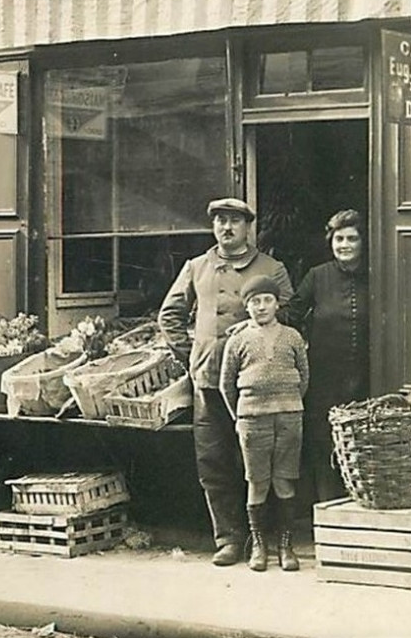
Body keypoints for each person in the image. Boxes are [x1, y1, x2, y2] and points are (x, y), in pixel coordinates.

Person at [157, 197, 294, 566]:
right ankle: (229, 539)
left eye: (234, 221)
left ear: (248, 227)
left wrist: (251, 329)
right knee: (214, 461)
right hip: (208, 380)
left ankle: (263, 540)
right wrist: (193, 354)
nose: (226, 228)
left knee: (261, 462)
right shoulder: (197, 267)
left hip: (257, 382)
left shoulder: (271, 267)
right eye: (219, 221)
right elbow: (169, 315)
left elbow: (292, 313)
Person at [219, 275, 309, 572]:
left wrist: (288, 403)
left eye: (266, 300)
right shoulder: (238, 340)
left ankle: (285, 545)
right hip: (252, 419)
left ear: (276, 303)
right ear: (246, 307)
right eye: (254, 302)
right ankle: (259, 545)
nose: (261, 307)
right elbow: (225, 384)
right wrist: (241, 416)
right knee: (257, 481)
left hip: (288, 416)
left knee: (284, 479)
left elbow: (304, 377)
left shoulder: (292, 337)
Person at [289, 209, 369, 503]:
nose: (344, 245)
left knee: (362, 446)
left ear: (363, 242)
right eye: (339, 239)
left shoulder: (377, 273)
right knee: (325, 445)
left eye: (352, 238)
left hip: (366, 376)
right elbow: (291, 314)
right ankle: (327, 514)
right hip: (324, 379)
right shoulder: (317, 276)